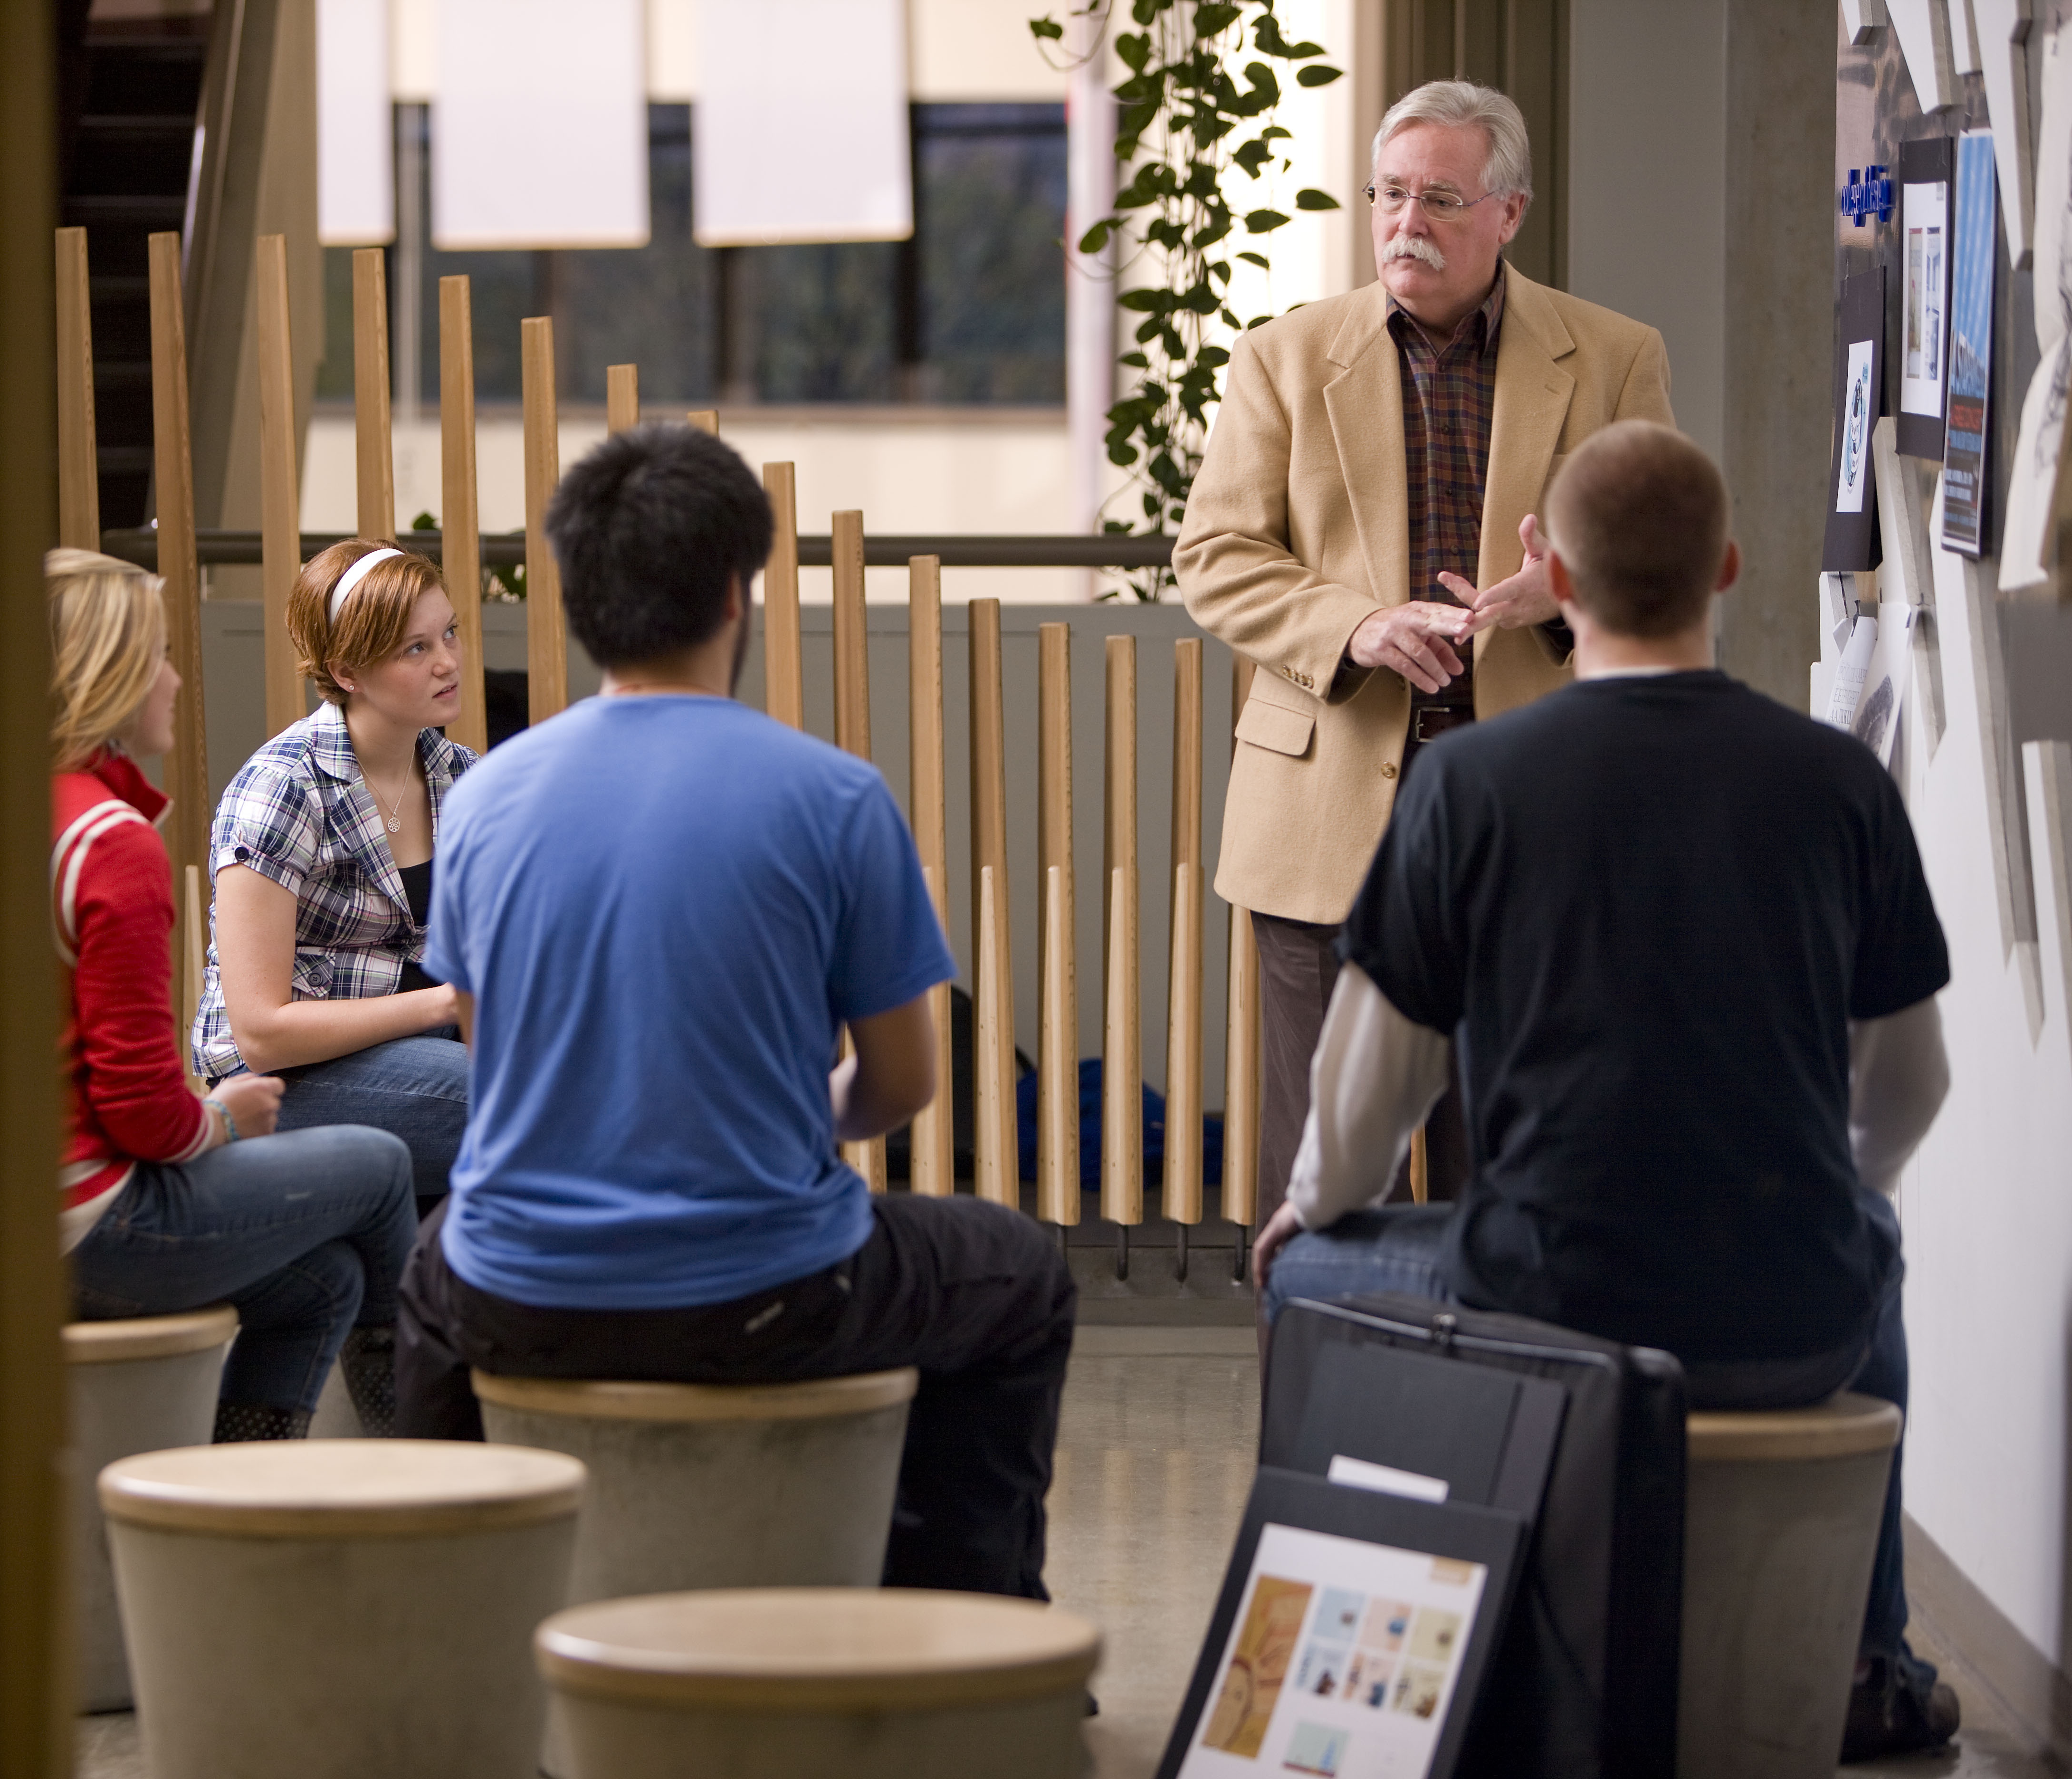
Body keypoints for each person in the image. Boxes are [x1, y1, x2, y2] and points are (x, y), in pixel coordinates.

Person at [1251, 422, 1958, 1762]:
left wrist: (1309, 1209)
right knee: (1871, 1250)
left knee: (1301, 1271)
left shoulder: (1467, 784)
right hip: (1791, 1318)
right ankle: (1873, 1664)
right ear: (1729, 570)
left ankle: (1363, 1698)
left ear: (1557, 588)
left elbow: (1366, 1098)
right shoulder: (1837, 782)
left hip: (1544, 1305)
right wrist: (1826, 1198)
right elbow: (1911, 1086)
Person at [391, 424, 1077, 1602]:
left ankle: (447, 1625)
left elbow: (488, 1055)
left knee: (425, 1270)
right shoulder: (836, 797)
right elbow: (906, 1086)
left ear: (577, 598)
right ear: (735, 596)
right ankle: (964, 1627)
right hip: (766, 1298)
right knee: (1019, 1273)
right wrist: (804, 1111)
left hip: (521, 1294)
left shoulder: (487, 797)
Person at [1173, 79, 1674, 1229]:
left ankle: (1494, 1408)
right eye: (1389, 194)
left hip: (1530, 804)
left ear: (1510, 213)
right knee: (1316, 1175)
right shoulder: (1284, 357)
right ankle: (1308, 1410)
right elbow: (1215, 556)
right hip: (1325, 805)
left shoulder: (1614, 357)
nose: (1406, 222)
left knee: (1503, 1168)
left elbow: (1661, 559)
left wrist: (1562, 590)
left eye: (1440, 199)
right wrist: (1356, 625)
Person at [0, 548, 418, 1442]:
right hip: (62, 1234)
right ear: (109, 679)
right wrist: (221, 1118)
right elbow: (144, 1117)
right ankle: (420, 1437)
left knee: (324, 1279)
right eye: (161, 657)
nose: (177, 679)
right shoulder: (108, 841)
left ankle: (241, 1490)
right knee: (381, 1166)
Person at [197, 539, 474, 1209]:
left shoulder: (460, 776)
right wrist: (447, 1002)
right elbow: (260, 1032)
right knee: (508, 1101)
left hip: (427, 1049)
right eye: (416, 649)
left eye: (450, 633)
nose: (448, 662)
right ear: (347, 671)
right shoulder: (283, 787)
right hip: (289, 1078)